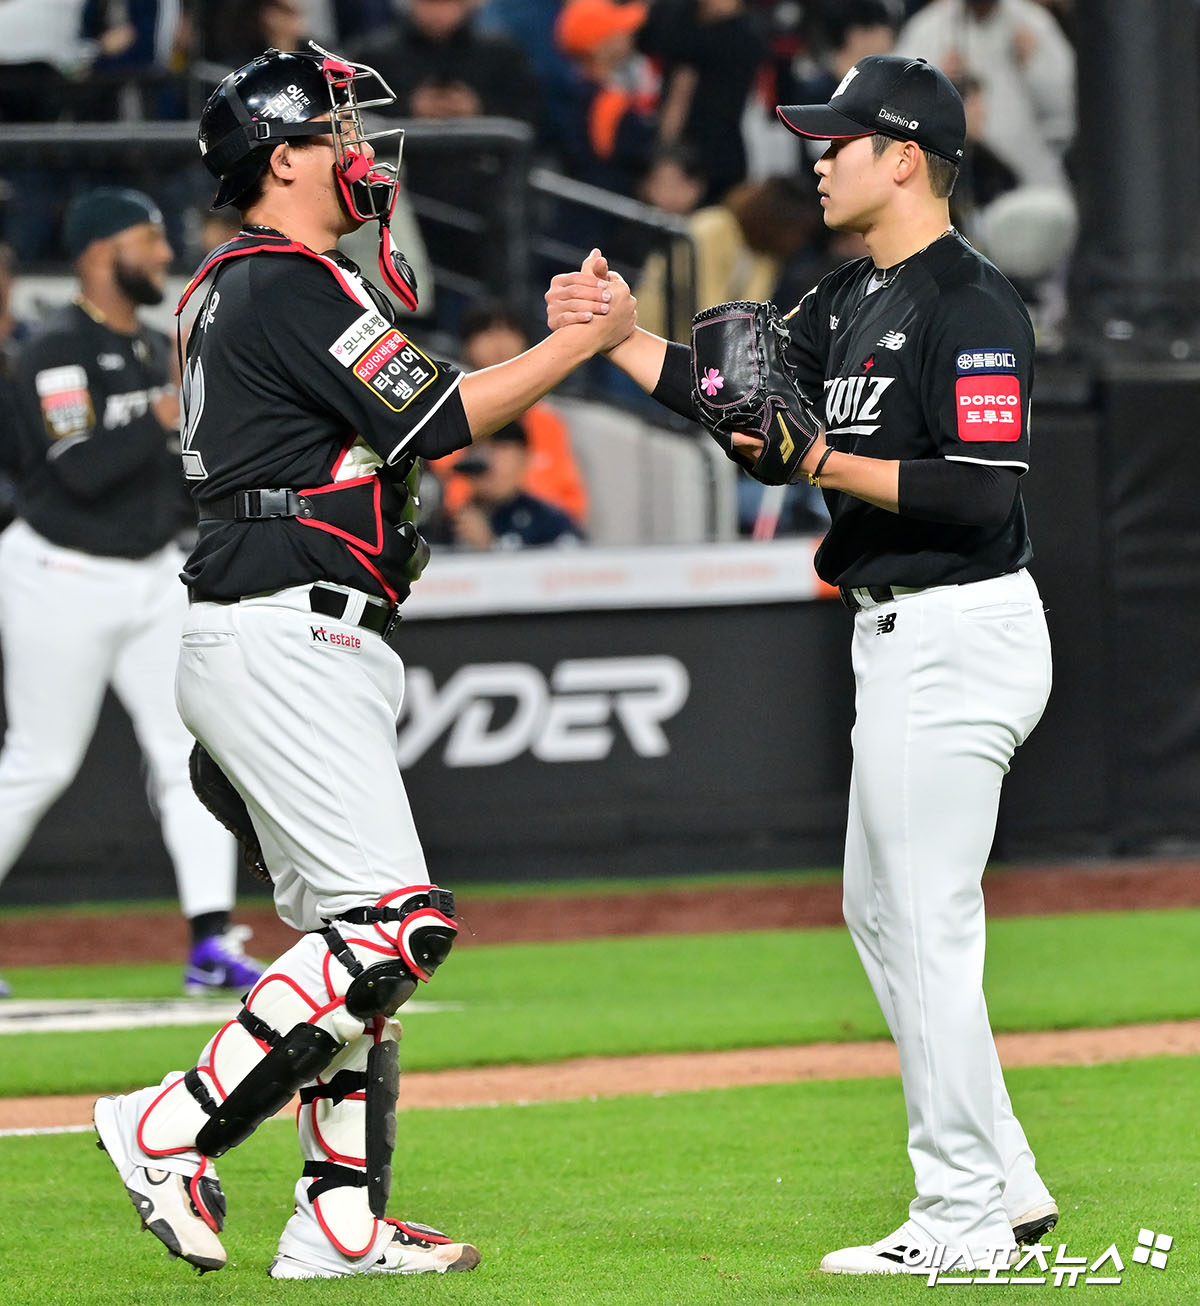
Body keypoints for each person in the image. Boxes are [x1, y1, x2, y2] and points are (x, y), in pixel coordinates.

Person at [91, 43, 634, 1280]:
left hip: (286, 626)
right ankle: (167, 1124)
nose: (358, 149)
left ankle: (336, 1219)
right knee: (397, 929)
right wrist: (584, 344)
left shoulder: (247, 283)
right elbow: (438, 419)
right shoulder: (283, 279)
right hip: (284, 628)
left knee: (356, 944)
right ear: (279, 158)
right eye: (332, 129)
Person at [546, 53, 1057, 1275]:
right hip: (900, 635)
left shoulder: (971, 303)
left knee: (924, 925)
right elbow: (736, 392)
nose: (814, 161)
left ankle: (962, 1216)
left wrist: (815, 458)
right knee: (881, 917)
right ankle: (1005, 1176)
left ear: (904, 158)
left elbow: (980, 493)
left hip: (960, 625)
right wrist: (619, 340)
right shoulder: (851, 295)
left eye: (839, 142)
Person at [0, 188, 260, 1002]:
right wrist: (162, 411)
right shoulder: (56, 348)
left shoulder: (153, 347)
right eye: (146, 239)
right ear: (97, 251)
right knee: (39, 764)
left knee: (193, 755)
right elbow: (78, 470)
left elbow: (179, 474)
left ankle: (211, 940)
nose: (162, 253)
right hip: (60, 575)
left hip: (151, 576)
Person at [432, 300, 589, 528]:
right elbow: (446, 489)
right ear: (467, 346)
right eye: (486, 331)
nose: (500, 342)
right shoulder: (448, 416)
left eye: (510, 330)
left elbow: (571, 502)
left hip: (542, 537)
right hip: (466, 533)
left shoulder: (547, 423)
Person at [446, 422, 585, 549]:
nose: (486, 459)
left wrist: (490, 545)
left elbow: (571, 561)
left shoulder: (548, 522)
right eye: (476, 447)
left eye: (499, 448)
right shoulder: (451, 517)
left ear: (523, 458)